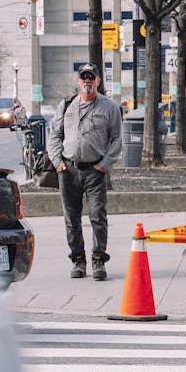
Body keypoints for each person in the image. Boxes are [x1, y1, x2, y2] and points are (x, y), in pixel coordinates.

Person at [45, 64, 124, 280]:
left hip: (95, 171)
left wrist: (104, 165)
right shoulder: (66, 105)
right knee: (71, 219)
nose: (87, 81)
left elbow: (117, 139)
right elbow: (54, 135)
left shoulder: (110, 107)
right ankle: (78, 261)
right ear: (77, 81)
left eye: (91, 77)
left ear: (98, 81)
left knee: (98, 216)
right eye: (83, 77)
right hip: (68, 170)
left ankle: (99, 260)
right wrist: (57, 162)